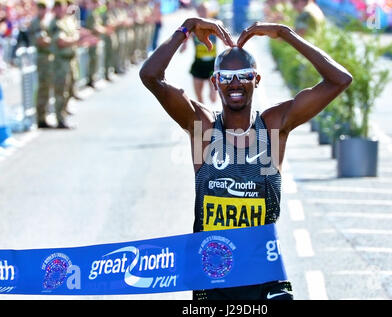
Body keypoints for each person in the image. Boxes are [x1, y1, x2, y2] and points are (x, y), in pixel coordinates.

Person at [139, 18, 352, 300]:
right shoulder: (202, 128)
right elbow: (151, 76)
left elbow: (340, 80)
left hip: (264, 278)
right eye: (226, 77)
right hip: (213, 278)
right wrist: (186, 28)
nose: (235, 83)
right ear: (215, 83)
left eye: (244, 75)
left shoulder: (274, 126)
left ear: (257, 79)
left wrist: (285, 34)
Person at [49, 0, 79, 129]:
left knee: (69, 88)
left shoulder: (67, 21)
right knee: (61, 91)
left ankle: (64, 114)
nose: (62, 10)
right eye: (59, 8)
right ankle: (60, 119)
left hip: (69, 59)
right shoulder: (55, 23)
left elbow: (75, 31)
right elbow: (61, 41)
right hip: (60, 61)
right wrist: (75, 40)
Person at [180, 2, 217, 104]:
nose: (202, 13)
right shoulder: (194, 28)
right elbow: (185, 39)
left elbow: (224, 39)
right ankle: (201, 120)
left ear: (208, 12)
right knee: (199, 99)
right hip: (199, 64)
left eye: (204, 10)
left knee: (213, 99)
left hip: (212, 65)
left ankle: (212, 116)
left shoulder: (214, 25)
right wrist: (184, 46)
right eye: (200, 11)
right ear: (197, 12)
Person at [28, 0, 53, 128]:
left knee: (47, 87)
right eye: (40, 8)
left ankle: (44, 115)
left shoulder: (45, 21)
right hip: (41, 58)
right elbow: (41, 40)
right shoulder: (37, 23)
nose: (42, 11)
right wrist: (55, 42)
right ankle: (41, 118)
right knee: (43, 87)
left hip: (46, 57)